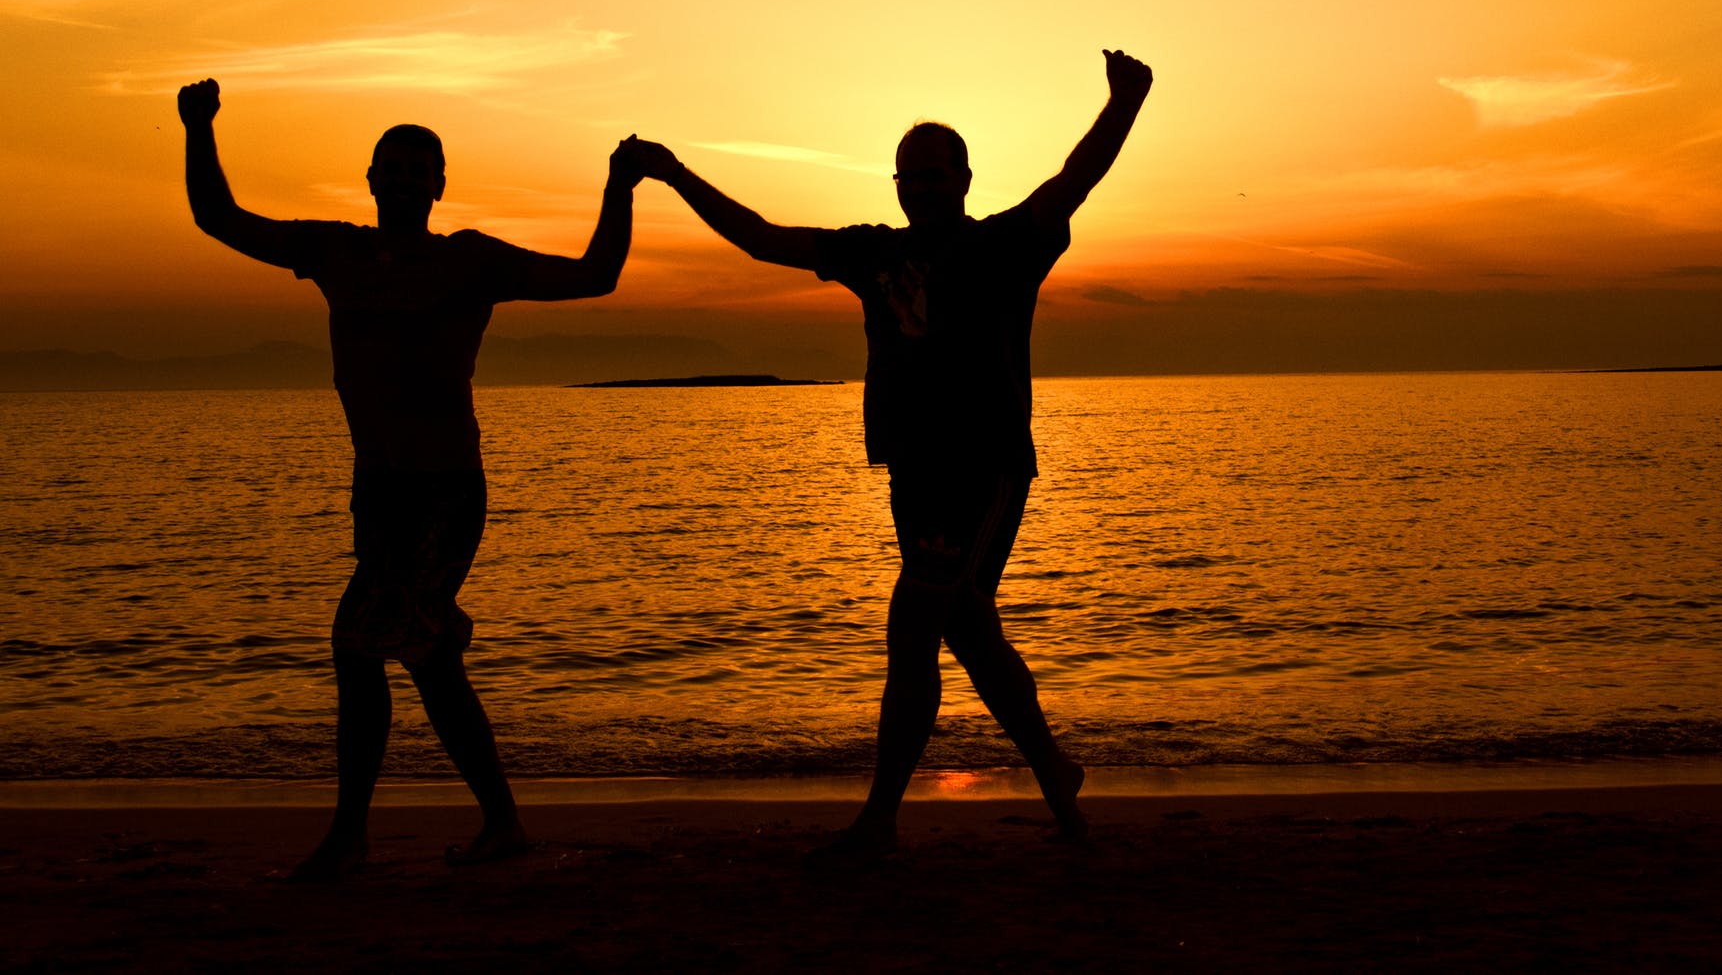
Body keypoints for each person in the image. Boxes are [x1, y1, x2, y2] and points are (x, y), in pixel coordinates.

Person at [625, 48, 1152, 855]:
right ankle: (1056, 774)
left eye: (936, 174)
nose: (922, 187)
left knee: (913, 627)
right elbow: (762, 238)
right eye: (909, 176)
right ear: (897, 186)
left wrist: (1125, 101)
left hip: (984, 467)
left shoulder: (1004, 246)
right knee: (969, 631)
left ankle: (879, 817)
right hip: (912, 469)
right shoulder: (873, 252)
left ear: (966, 179)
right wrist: (671, 173)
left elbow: (1074, 181)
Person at [179, 78, 644, 880]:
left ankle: (357, 834)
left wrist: (617, 185)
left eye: (413, 170)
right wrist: (197, 128)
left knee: (361, 645)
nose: (398, 181)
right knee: (421, 656)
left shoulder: (468, 261)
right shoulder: (336, 251)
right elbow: (220, 219)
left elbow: (595, 274)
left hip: (445, 492)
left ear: (437, 185)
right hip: (381, 492)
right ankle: (493, 823)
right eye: (385, 169)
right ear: (368, 181)